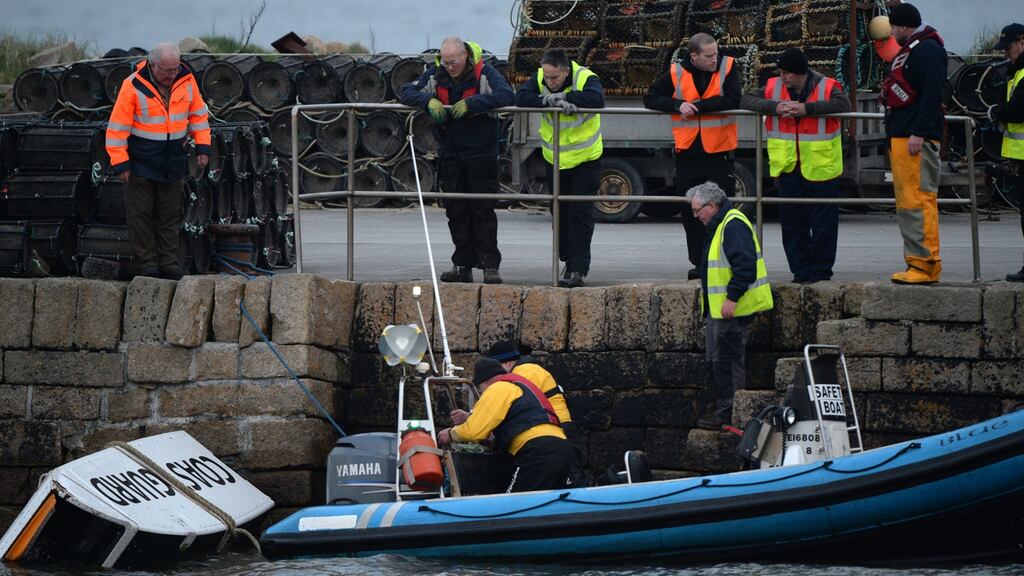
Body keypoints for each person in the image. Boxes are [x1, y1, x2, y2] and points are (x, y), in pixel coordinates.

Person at [400, 37, 513, 284]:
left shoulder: (485, 72)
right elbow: (406, 91)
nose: (449, 67)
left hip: (481, 152)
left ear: (464, 56)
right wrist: (427, 101)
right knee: (455, 209)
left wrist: (472, 104)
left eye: (453, 62)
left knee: (482, 209)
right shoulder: (435, 73)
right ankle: (461, 264)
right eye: (446, 62)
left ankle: (489, 266)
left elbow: (506, 95)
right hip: (450, 151)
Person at [741, 48, 850, 283]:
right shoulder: (773, 87)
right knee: (792, 225)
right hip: (789, 168)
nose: (783, 77)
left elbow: (843, 105)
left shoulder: (828, 86)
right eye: (781, 72)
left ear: (801, 73)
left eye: (787, 73)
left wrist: (806, 110)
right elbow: (747, 99)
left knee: (824, 226)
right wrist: (775, 107)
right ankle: (800, 271)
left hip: (822, 168)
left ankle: (820, 272)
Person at [105, 42, 210, 280]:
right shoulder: (132, 85)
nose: (172, 75)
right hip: (141, 160)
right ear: (153, 66)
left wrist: (203, 146)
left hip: (174, 159)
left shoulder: (186, 80)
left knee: (170, 215)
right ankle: (147, 264)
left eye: (175, 69)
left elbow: (198, 116)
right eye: (167, 71)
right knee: (140, 214)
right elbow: (117, 129)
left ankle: (169, 264)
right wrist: (120, 162)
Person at [644, 32, 742, 281]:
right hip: (688, 153)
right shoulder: (677, 72)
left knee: (722, 209)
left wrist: (697, 106)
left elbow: (732, 98)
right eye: (709, 56)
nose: (715, 59)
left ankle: (723, 260)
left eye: (716, 53)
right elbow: (651, 98)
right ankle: (699, 263)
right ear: (694, 56)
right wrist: (678, 105)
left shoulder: (728, 66)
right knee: (691, 211)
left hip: (719, 153)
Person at [515, 48, 604, 288]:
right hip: (555, 159)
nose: (550, 82)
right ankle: (567, 259)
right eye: (547, 77)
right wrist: (546, 99)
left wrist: (568, 98)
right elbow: (521, 97)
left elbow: (597, 99)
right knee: (559, 213)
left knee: (581, 215)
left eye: (555, 78)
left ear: (566, 71)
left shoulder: (586, 77)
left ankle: (578, 269)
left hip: (585, 159)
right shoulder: (541, 76)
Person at [690, 182, 773, 429]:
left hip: (733, 310)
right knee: (722, 362)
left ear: (712, 206)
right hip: (723, 310)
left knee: (728, 362)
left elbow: (745, 267)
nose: (695, 216)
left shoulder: (732, 225)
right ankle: (726, 413)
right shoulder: (722, 223)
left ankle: (730, 416)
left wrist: (731, 298)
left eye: (697, 211)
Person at [880, 3, 946, 285]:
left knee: (919, 200)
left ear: (904, 26)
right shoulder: (914, 49)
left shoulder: (928, 50)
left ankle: (926, 263)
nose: (892, 33)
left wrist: (919, 132)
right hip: (904, 136)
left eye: (894, 27)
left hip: (915, 138)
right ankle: (916, 261)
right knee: (909, 201)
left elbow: (933, 94)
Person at [438, 357, 574, 492]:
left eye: (480, 390)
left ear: (484, 382)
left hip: (536, 453)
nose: (482, 394)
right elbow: (520, 424)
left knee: (515, 503)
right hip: (563, 448)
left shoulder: (497, 388)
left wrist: (450, 434)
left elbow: (473, 430)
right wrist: (494, 442)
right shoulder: (519, 386)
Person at [487, 340, 585, 487]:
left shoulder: (524, 373)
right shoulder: (527, 371)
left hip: (559, 430)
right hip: (558, 431)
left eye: (496, 367)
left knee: (572, 481)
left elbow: (509, 403)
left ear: (507, 362)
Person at [988, 23, 1024, 282]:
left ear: (1022, 42)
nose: (1005, 53)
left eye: (1008, 47)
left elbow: (1018, 111)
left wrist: (996, 112)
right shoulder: (1016, 72)